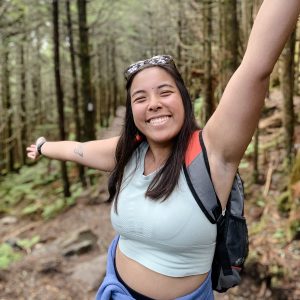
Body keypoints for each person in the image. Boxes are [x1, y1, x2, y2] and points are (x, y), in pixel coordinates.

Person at [27, 1, 300, 299]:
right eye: (140, 98)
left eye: (165, 92)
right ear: (132, 112)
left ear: (183, 98)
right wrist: (43, 146)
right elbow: (77, 149)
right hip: (114, 288)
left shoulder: (211, 153)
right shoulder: (128, 152)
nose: (154, 103)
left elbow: (256, 68)